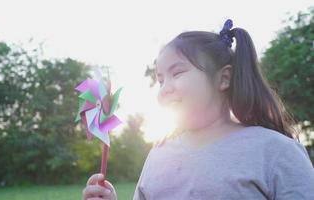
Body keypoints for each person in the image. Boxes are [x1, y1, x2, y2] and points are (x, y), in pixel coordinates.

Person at [82, 19, 314, 200]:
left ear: (224, 78)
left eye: (178, 73)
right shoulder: (159, 155)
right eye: (160, 79)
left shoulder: (277, 151)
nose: (164, 88)